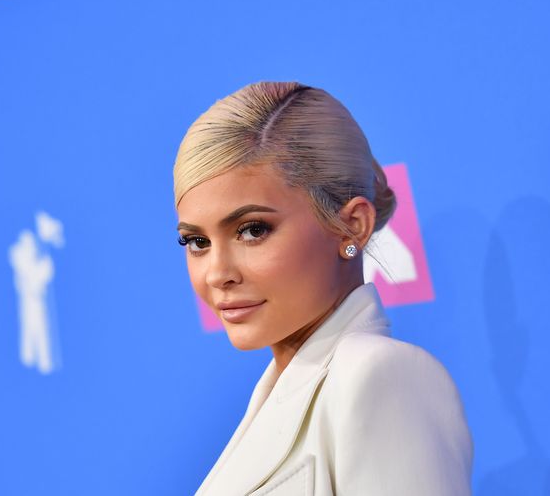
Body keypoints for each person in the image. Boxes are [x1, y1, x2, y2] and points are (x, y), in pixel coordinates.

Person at [172, 81, 473, 495]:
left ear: (353, 226)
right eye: (196, 242)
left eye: (253, 230)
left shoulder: (378, 377)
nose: (216, 273)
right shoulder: (279, 395)